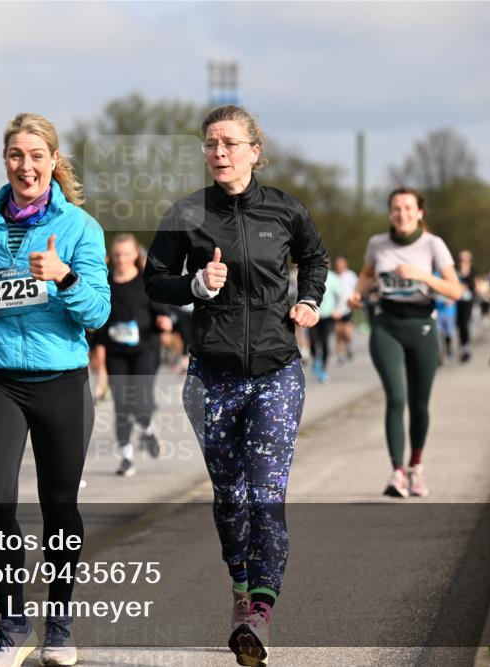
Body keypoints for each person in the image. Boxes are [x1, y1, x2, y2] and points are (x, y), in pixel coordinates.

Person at [143, 105, 328, 667]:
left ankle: (259, 614)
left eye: (229, 143)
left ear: (254, 151)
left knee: (266, 494)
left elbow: (315, 258)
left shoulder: (285, 209)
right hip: (211, 377)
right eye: (210, 144)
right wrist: (196, 284)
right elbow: (155, 280)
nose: (218, 152)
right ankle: (241, 585)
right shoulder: (186, 213)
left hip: (276, 371)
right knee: (230, 497)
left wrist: (309, 299)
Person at [0, 112, 109, 667]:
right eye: (17, 154)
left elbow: (97, 312)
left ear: (53, 162)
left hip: (61, 380)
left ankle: (59, 624)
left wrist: (63, 276)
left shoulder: (81, 227)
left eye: (37, 155)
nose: (26, 165)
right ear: (5, 160)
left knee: (59, 507)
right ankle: (12, 623)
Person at [348, 187, 463, 498]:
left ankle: (416, 467)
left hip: (423, 327)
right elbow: (367, 275)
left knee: (419, 403)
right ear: (390, 213)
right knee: (396, 397)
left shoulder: (433, 244)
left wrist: (422, 276)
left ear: (419, 212)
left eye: (409, 208)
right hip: (386, 326)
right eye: (397, 208)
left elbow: (455, 291)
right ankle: (397, 472)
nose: (403, 214)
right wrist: (357, 294)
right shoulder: (377, 244)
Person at [95, 233, 172, 477]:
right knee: (121, 405)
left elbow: (162, 313)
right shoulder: (105, 283)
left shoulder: (145, 282)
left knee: (139, 401)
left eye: (126, 254)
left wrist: (165, 322)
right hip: (116, 352)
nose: (121, 259)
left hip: (144, 351)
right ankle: (126, 457)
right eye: (117, 254)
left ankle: (147, 428)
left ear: (135, 255)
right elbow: (98, 319)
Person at [308, 270, 341, 383]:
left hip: (327, 316)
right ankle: (316, 360)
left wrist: (338, 309)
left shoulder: (333, 278)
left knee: (324, 342)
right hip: (313, 315)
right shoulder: (311, 274)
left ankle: (323, 370)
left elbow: (340, 295)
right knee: (313, 341)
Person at [332, 256, 358, 364]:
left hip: (347, 307)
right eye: (338, 265)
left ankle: (348, 344)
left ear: (345, 265)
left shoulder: (351, 275)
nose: (340, 267)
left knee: (347, 331)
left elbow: (356, 289)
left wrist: (355, 300)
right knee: (338, 331)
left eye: (341, 264)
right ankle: (340, 354)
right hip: (335, 308)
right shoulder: (333, 276)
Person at [455, 250, 477, 363]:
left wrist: (465, 285)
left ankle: (466, 347)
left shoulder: (473, 273)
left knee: (464, 324)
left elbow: (475, 287)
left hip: (468, 303)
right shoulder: (455, 273)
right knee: (459, 325)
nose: (463, 263)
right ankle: (462, 347)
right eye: (461, 260)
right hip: (457, 302)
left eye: (465, 260)